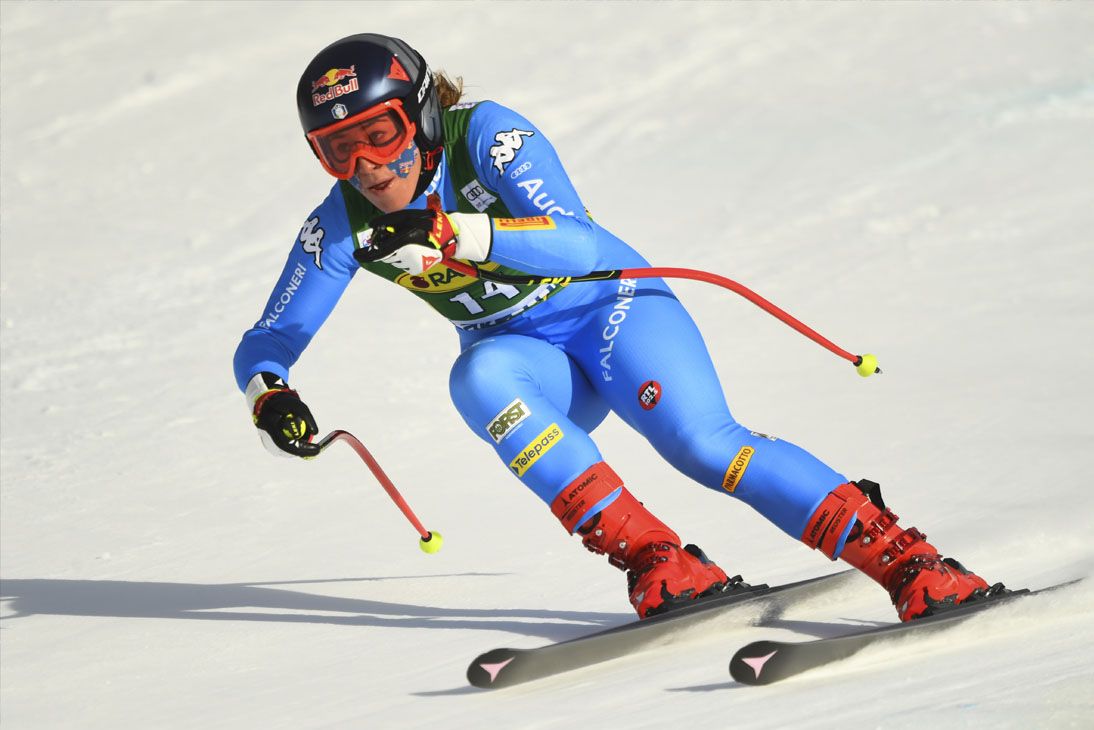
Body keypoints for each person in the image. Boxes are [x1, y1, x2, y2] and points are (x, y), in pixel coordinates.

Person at [233, 33, 1000, 621]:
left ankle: (911, 563)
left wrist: (454, 234)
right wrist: (269, 393)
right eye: (339, 150)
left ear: (425, 116)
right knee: (477, 377)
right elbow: (269, 336)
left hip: (613, 312)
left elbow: (581, 242)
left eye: (383, 133)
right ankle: (658, 559)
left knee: (702, 445)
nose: (367, 165)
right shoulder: (344, 224)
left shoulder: (488, 136)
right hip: (535, 364)